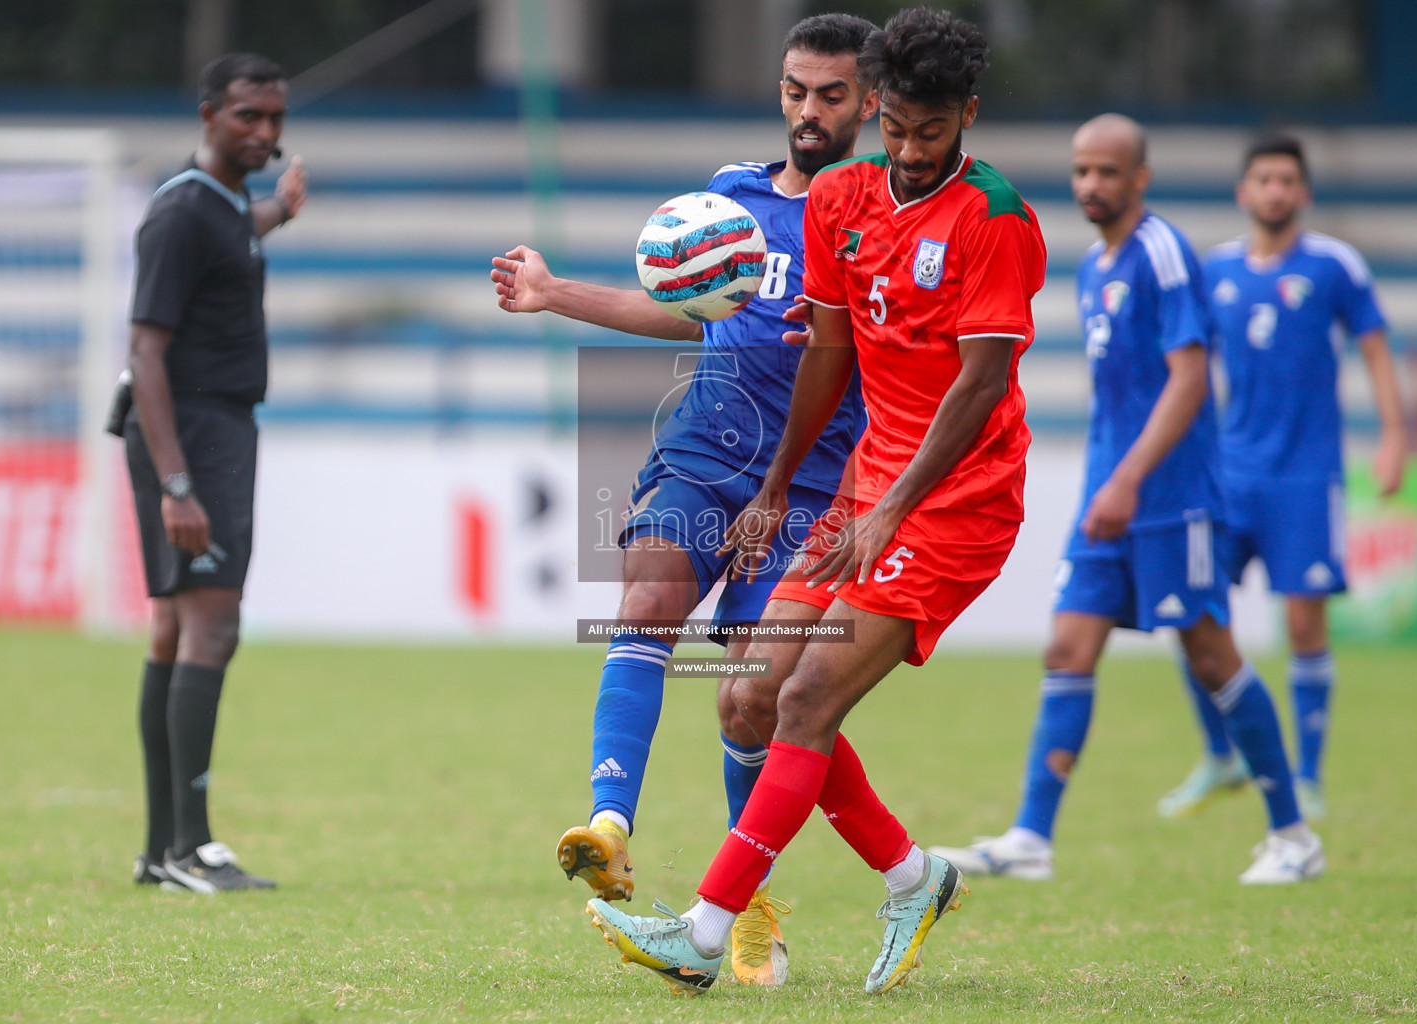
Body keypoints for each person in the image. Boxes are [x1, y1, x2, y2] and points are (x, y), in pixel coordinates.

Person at [582, 8, 1046, 995]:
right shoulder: (843, 197)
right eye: (899, 131)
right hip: (861, 486)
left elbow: (977, 384)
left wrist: (891, 507)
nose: (912, 152)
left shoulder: (996, 219)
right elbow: (830, 351)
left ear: (966, 115)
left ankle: (706, 934)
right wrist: (783, 486)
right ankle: (915, 878)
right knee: (747, 692)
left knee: (804, 695)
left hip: (957, 499)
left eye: (933, 132)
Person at [491, 13, 877, 985]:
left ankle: (748, 908)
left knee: (756, 699)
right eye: (796, 90)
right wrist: (554, 293)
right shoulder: (733, 198)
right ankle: (610, 823)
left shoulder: (882, 216)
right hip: (704, 449)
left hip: (813, 485)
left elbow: (911, 348)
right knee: (647, 600)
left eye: (831, 94)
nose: (809, 111)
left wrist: (843, 342)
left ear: (870, 101)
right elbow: (680, 304)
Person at [927, 114, 1323, 886]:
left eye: (1108, 172)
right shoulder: (1093, 265)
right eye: (1081, 172)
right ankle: (1031, 838)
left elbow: (1189, 377)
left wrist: (1129, 478)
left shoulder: (1162, 253)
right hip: (1107, 497)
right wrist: (1107, 483)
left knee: (1211, 656)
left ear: (1139, 177)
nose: (1091, 186)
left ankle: (1293, 836)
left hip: (1171, 498)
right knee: (1067, 650)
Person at [1156, 135, 1404, 821]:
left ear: (1304, 192)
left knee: (1303, 625)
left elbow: (1377, 350)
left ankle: (1310, 777)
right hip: (1229, 474)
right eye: (1263, 179)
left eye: (1286, 180)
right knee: (1192, 608)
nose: (1275, 190)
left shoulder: (1333, 266)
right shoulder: (1215, 272)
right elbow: (1187, 363)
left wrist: (1390, 439)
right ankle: (1220, 755)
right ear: (1243, 192)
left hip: (1306, 476)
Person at [125, 52, 306, 894]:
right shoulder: (178, 216)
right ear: (208, 116)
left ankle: (163, 851)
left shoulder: (228, 207)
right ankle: (189, 848)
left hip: (217, 429)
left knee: (173, 632)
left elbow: (236, 233)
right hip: (190, 436)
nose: (264, 132)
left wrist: (280, 210)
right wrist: (177, 484)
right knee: (213, 629)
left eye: (273, 118)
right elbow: (146, 352)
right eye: (247, 117)